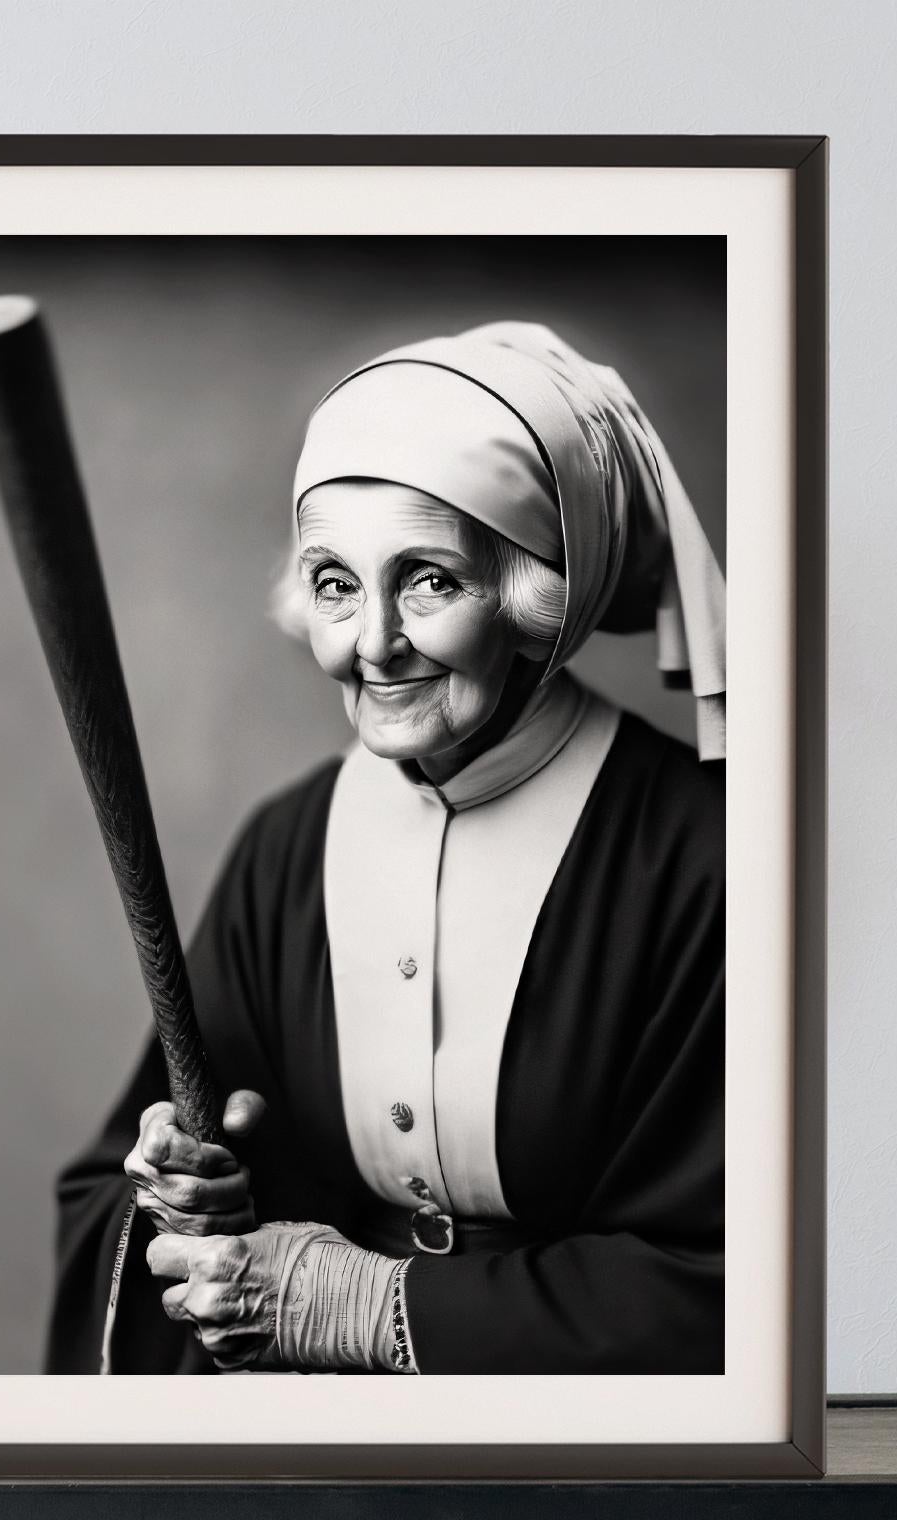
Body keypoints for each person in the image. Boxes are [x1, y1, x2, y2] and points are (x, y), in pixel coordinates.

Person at [45, 320, 727, 1376]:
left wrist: (376, 1306)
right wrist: (193, 1191)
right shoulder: (288, 843)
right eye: (333, 584)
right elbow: (153, 1182)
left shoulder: (702, 855)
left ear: (538, 598)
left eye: (426, 582)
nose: (371, 644)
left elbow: (731, 1282)